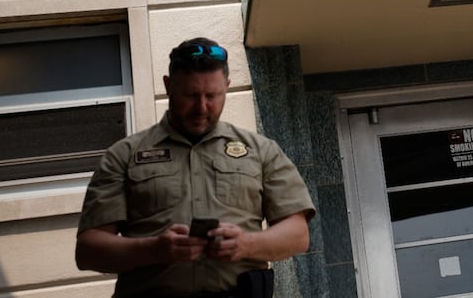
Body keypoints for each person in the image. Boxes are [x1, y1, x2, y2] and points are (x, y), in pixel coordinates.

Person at [76, 37, 316, 298]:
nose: (202, 108)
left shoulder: (262, 151)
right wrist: (153, 250)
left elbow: (298, 234)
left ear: (227, 86)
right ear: (169, 86)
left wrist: (245, 244)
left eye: (212, 96)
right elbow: (88, 251)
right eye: (190, 95)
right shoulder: (124, 155)